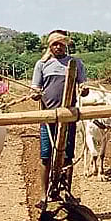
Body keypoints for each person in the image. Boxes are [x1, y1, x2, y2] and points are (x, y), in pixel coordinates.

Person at [31, 30, 86, 205]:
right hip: (48, 116)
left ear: (66, 45)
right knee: (46, 156)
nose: (58, 47)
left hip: (69, 115)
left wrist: (84, 89)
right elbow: (35, 88)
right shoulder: (42, 64)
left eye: (61, 44)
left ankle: (67, 192)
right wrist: (35, 94)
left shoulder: (75, 63)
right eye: (55, 44)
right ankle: (44, 194)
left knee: (68, 156)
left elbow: (83, 85)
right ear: (50, 46)